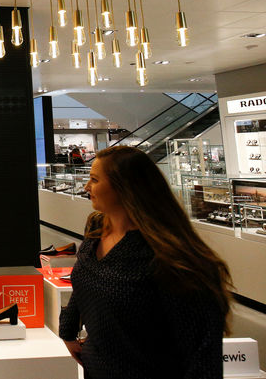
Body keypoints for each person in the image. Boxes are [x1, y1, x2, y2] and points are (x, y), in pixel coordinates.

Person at [59, 146, 232, 379]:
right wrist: (67, 331)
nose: (87, 187)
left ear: (125, 187)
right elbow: (84, 279)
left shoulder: (171, 258)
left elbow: (201, 352)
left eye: (94, 179)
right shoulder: (97, 228)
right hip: (96, 369)